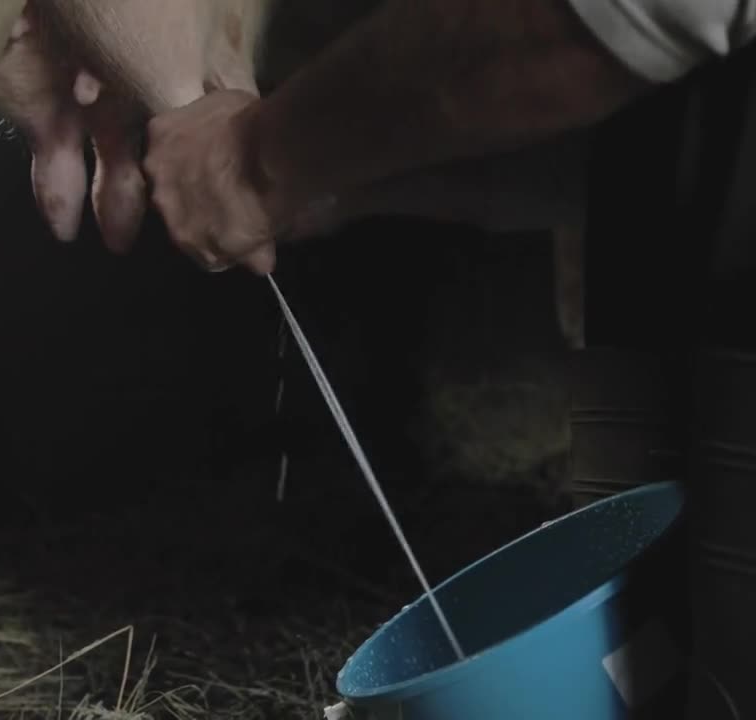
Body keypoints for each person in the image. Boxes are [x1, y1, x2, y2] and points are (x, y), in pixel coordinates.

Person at [140, 1, 756, 718]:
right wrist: (347, 179)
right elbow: (674, 92)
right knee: (669, 652)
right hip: (682, 349)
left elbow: (605, 20)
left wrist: (259, 158)